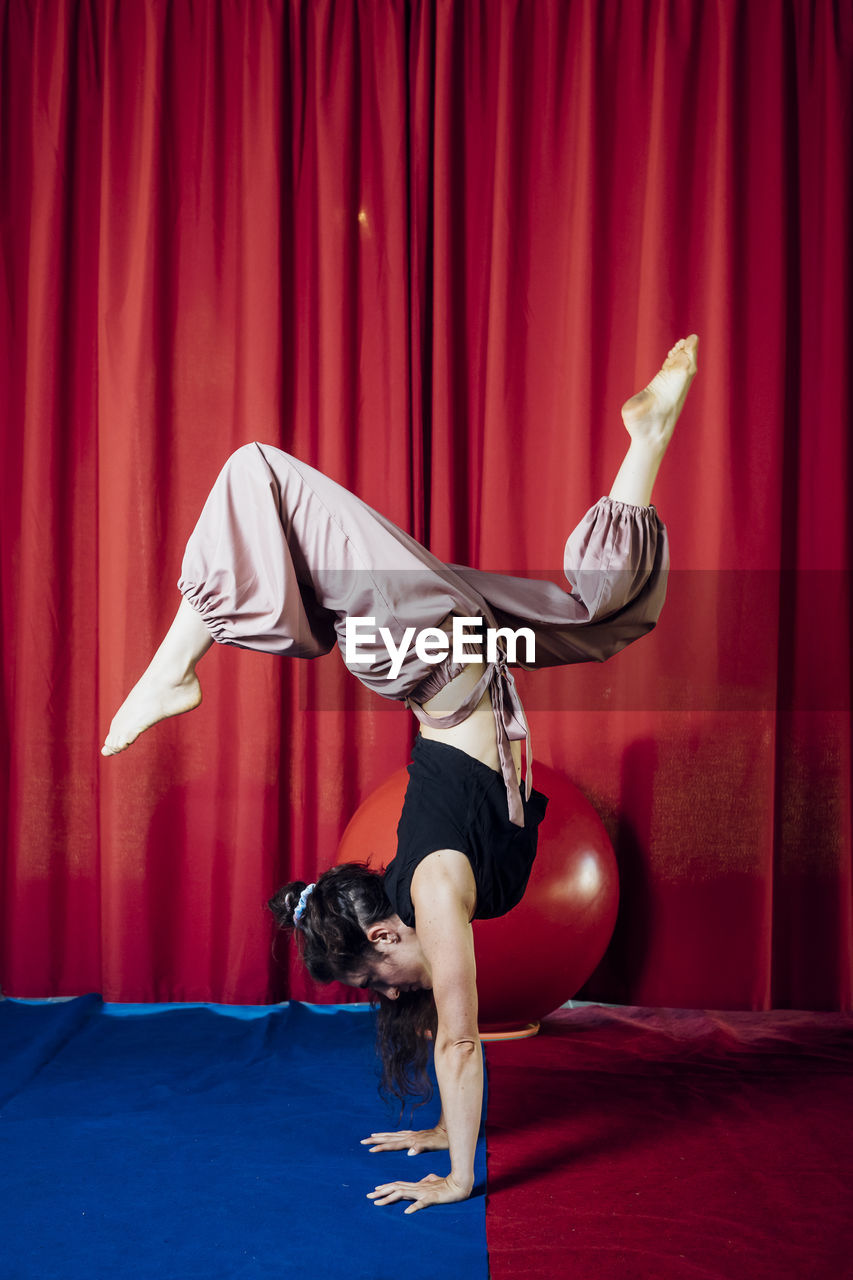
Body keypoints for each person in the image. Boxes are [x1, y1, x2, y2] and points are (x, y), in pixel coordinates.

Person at [102, 335, 699, 1213]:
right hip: (455, 643)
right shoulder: (438, 887)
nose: (398, 992)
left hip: (418, 642)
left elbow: (460, 1041)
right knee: (604, 618)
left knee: (257, 470)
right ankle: (645, 438)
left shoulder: (432, 886)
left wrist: (459, 1177)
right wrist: (437, 1132)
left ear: (382, 939)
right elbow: (446, 1035)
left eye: (383, 983)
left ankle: (173, 668)